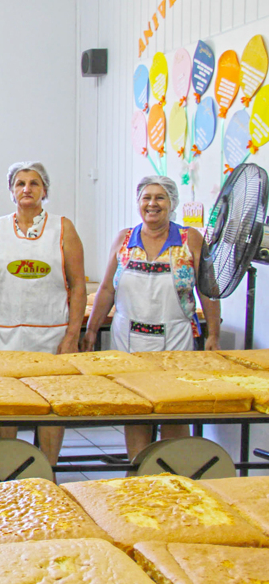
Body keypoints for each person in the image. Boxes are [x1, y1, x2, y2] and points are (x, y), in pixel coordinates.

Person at [83, 175, 221, 458]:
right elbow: (107, 288)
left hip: (177, 338)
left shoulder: (189, 239)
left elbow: (209, 292)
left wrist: (214, 336)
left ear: (172, 203)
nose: (152, 204)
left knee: (174, 409)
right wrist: (91, 331)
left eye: (160, 198)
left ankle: (173, 471)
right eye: (146, 198)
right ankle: (138, 471)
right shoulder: (124, 239)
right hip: (128, 338)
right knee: (135, 410)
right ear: (138, 203)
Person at [0, 161, 87, 465]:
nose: (26, 189)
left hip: (52, 333)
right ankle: (10, 466)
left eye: (34, 183)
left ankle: (47, 469)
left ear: (45, 190)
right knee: (8, 404)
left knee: (52, 405)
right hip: (4, 333)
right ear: (11, 191)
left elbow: (79, 286)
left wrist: (72, 336)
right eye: (20, 183)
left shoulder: (63, 227)